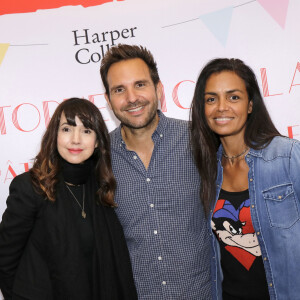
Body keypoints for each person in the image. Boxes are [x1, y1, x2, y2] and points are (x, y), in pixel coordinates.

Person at [99, 44, 212, 300]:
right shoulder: (99, 158)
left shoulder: (197, 139)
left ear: (158, 89)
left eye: (140, 84)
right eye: (119, 89)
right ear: (108, 100)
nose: (131, 98)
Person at [0, 98, 137, 300]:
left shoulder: (101, 188)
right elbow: (5, 259)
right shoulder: (30, 187)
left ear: (97, 141)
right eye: (67, 129)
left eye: (86, 131)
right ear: (55, 134)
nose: (75, 139)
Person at [190, 58, 300, 300]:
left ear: (250, 105)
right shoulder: (207, 170)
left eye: (233, 97)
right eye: (211, 99)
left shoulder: (287, 156)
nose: (221, 107)